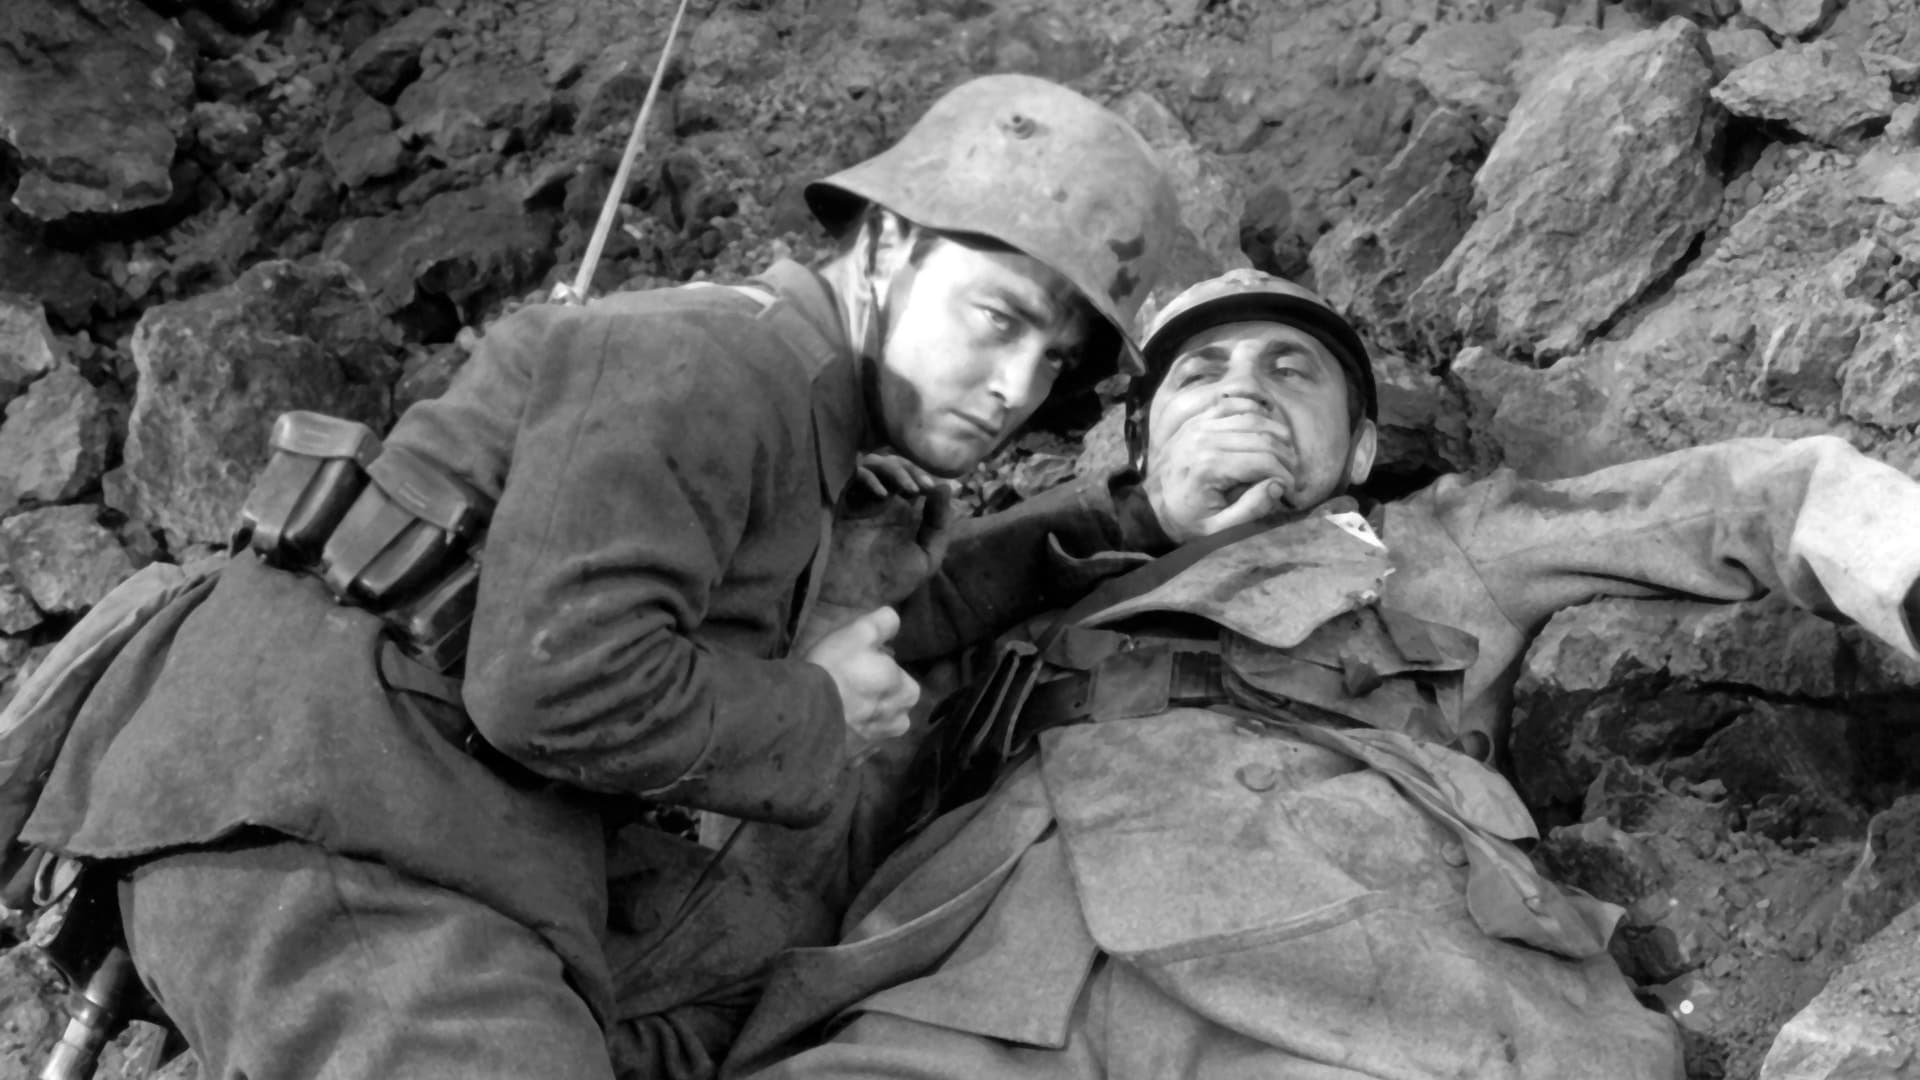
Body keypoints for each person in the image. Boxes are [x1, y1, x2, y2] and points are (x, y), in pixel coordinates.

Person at [13, 74, 1183, 1079]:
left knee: (756, 998)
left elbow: (883, 619)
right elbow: (555, 682)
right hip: (332, 833)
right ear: (886, 247)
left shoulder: (804, 417)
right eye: (997, 319)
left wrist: (1135, 515)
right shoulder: (716, 364)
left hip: (404, 828)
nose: (1015, 386)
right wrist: (820, 713)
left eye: (1052, 360)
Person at [718, 268, 1920, 1080]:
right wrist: (1102, 522)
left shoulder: (1431, 546)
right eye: (1200, 374)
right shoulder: (997, 584)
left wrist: (1897, 556)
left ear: (1356, 450)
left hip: (1359, 981)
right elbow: (763, 670)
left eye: (1292, 370)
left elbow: (1743, 499)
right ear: (1137, 444)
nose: (1242, 385)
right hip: (974, 991)